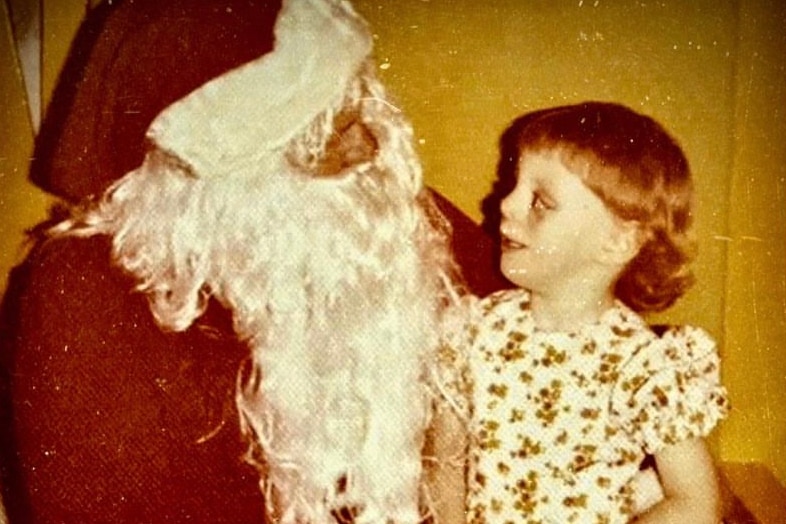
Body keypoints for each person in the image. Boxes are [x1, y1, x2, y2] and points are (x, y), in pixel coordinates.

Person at [0, 0, 507, 523]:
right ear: (220, 174)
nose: (366, 148)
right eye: (325, 136)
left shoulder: (375, 214)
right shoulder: (87, 292)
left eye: (361, 113)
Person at [428, 101, 730, 523]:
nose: (507, 205)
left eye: (540, 201)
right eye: (514, 185)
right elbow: (446, 462)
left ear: (617, 243)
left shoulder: (640, 364)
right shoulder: (473, 328)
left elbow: (696, 503)